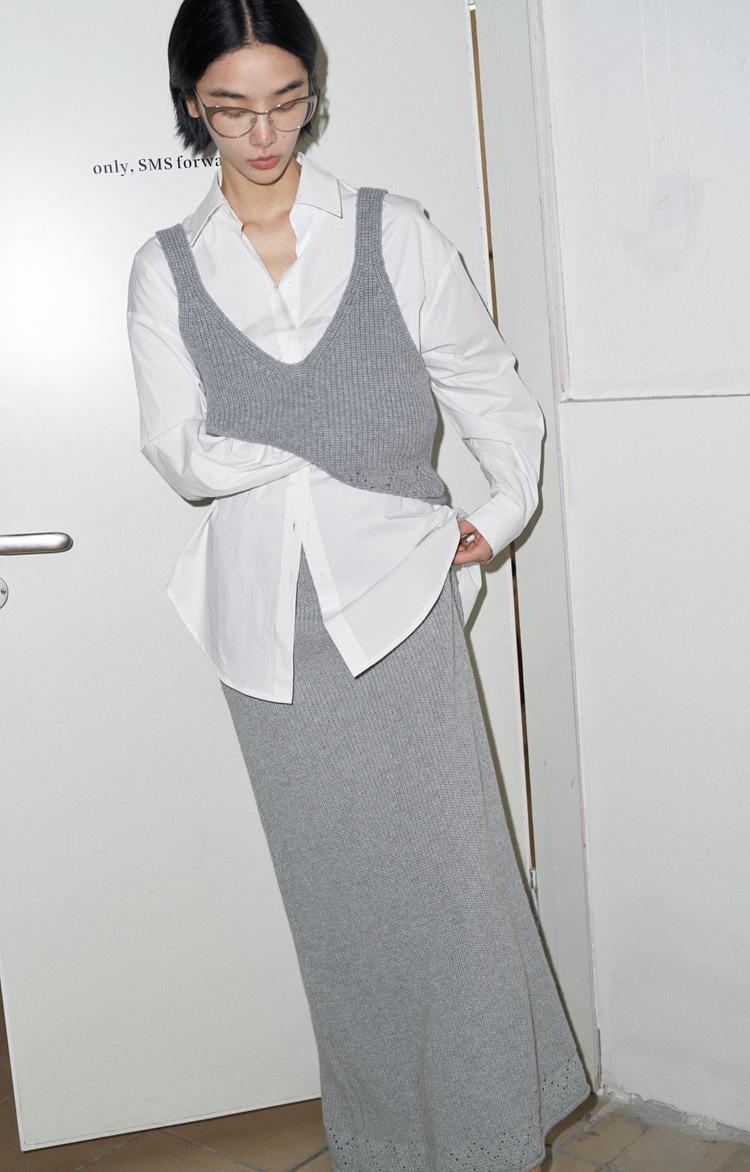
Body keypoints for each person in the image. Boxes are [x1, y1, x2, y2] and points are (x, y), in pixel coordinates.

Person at [126, 1, 592, 1168]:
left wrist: (497, 511)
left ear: (312, 92)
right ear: (192, 106)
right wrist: (317, 461)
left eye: (286, 101)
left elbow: (489, 387)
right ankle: (383, 1146)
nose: (264, 133)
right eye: (232, 108)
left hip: (401, 607)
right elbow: (177, 451)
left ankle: (494, 1138)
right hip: (267, 635)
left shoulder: (394, 233)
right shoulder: (165, 269)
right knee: (340, 915)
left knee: (460, 895)